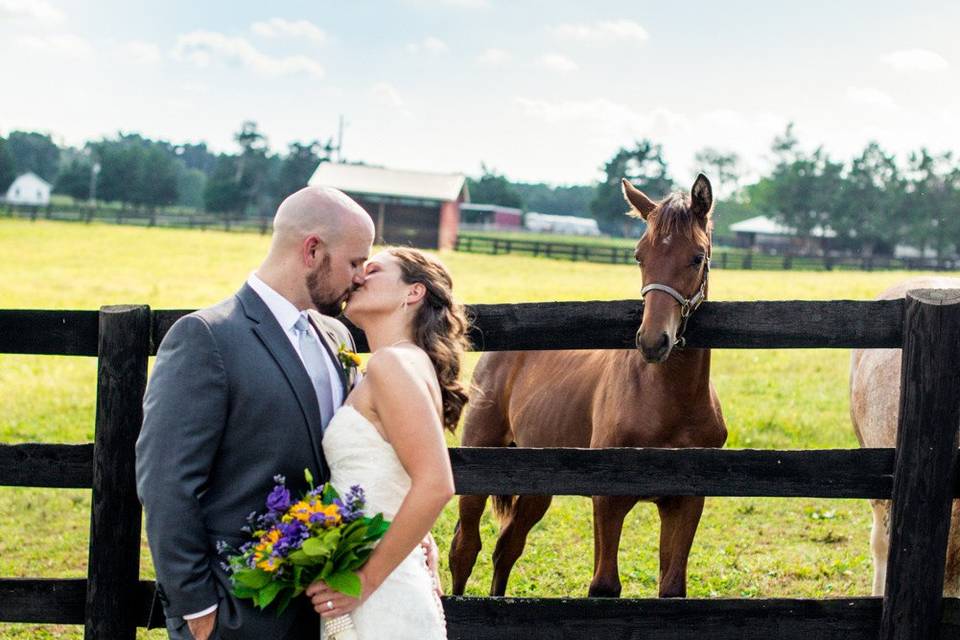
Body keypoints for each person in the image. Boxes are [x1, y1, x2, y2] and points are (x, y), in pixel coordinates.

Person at [136, 186, 375, 640]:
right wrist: (198, 607)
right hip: (237, 611)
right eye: (354, 262)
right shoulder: (207, 337)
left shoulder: (337, 337)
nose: (361, 277)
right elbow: (166, 481)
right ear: (312, 250)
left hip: (324, 609)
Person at [305, 247, 469, 638]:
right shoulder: (406, 362)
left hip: (380, 593)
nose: (358, 276)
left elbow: (436, 483)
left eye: (373, 269)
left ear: (412, 293)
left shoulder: (391, 364)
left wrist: (364, 581)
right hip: (387, 574)